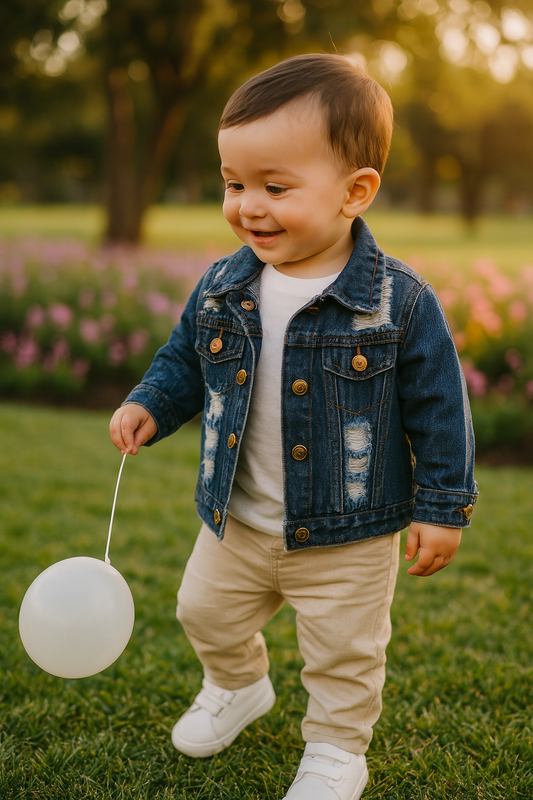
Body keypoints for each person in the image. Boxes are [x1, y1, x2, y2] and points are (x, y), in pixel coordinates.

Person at [109, 53, 478, 800]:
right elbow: (185, 358)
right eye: (233, 184)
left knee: (343, 653)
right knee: (202, 612)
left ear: (355, 191)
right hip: (239, 519)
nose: (248, 206)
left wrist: (442, 506)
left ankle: (337, 749)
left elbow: (440, 406)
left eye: (275, 187)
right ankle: (237, 684)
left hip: (348, 532)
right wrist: (151, 401)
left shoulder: (398, 302)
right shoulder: (225, 283)